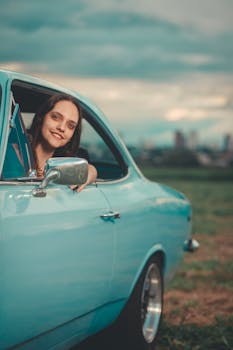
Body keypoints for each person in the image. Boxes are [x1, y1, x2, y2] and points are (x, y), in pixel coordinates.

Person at [28, 93, 97, 192]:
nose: (62, 128)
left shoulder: (71, 160)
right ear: (42, 117)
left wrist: (90, 172)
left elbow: (90, 169)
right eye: (55, 117)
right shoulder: (15, 149)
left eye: (70, 126)